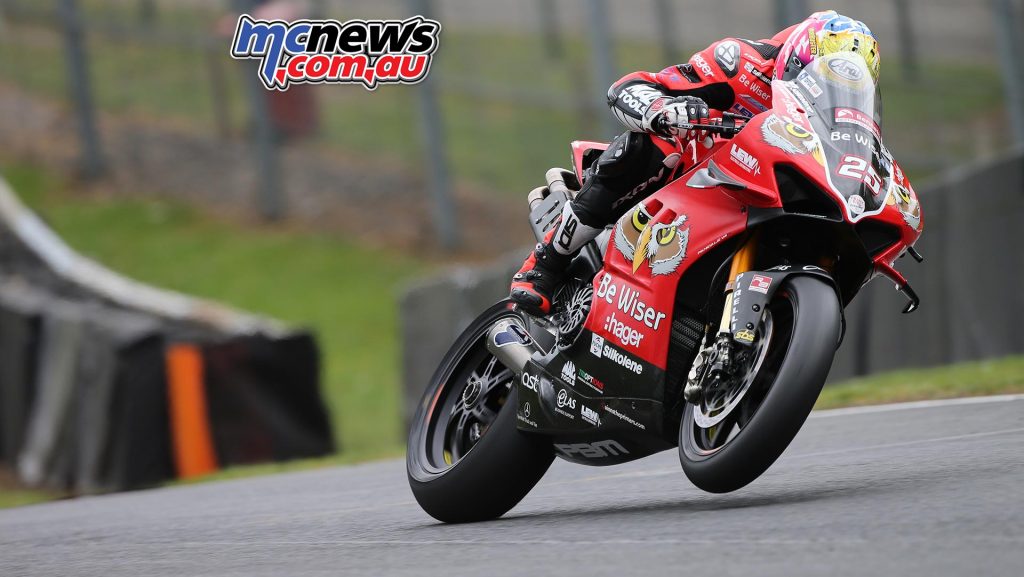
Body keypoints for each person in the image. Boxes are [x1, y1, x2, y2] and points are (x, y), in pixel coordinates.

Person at [510, 10, 880, 315]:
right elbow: (630, 87)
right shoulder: (742, 63)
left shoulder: (845, 131)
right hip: (687, 180)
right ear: (797, 58)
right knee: (656, 145)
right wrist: (663, 109)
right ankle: (547, 261)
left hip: (756, 206)